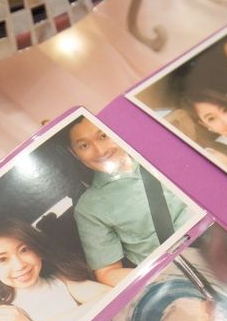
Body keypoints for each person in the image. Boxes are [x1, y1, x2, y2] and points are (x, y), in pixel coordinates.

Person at [67, 116, 192, 286]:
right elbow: (107, 272)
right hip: (176, 268)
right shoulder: (89, 207)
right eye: (84, 145)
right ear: (74, 153)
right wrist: (166, 280)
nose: (100, 150)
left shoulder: (159, 152)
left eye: (103, 136)